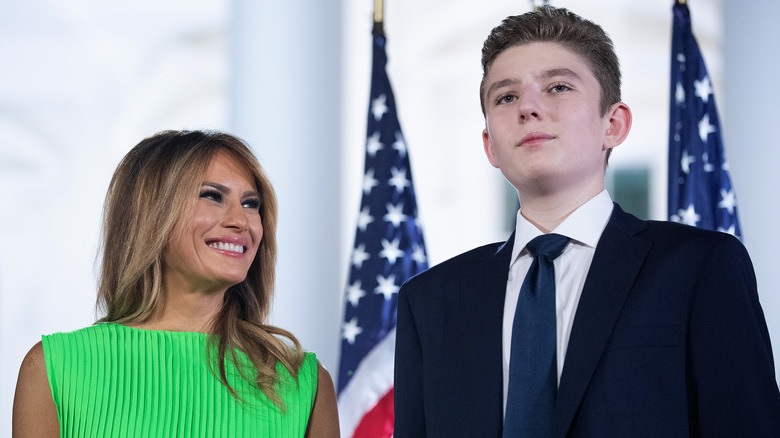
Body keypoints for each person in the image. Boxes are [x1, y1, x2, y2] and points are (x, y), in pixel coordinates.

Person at [394, 6, 780, 437]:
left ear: (613, 124)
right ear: (491, 147)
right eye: (506, 97)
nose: (529, 107)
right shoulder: (428, 302)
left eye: (558, 87)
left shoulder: (700, 267)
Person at [12, 130, 340, 437]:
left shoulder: (303, 382)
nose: (241, 221)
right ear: (152, 212)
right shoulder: (54, 369)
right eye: (213, 196)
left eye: (250, 203)